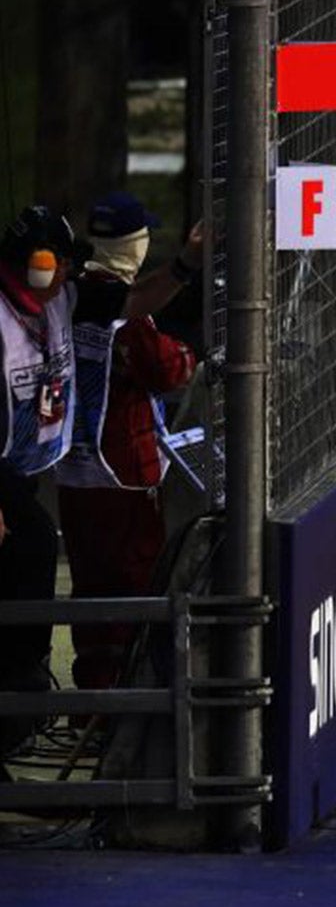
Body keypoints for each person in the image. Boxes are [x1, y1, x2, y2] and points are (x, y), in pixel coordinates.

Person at [54, 193, 198, 696]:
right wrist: (188, 353)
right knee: (134, 584)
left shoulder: (70, 296)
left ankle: (94, 694)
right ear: (133, 246)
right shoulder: (124, 313)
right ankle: (124, 701)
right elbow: (168, 368)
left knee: (90, 583)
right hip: (124, 475)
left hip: (72, 471)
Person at [0, 205, 84, 752]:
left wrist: (185, 266)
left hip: (20, 471)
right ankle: (18, 696)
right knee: (31, 544)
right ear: (37, 264)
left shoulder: (53, 301)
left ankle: (20, 701)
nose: (67, 275)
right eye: (60, 264)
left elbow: (125, 301)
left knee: (31, 549)